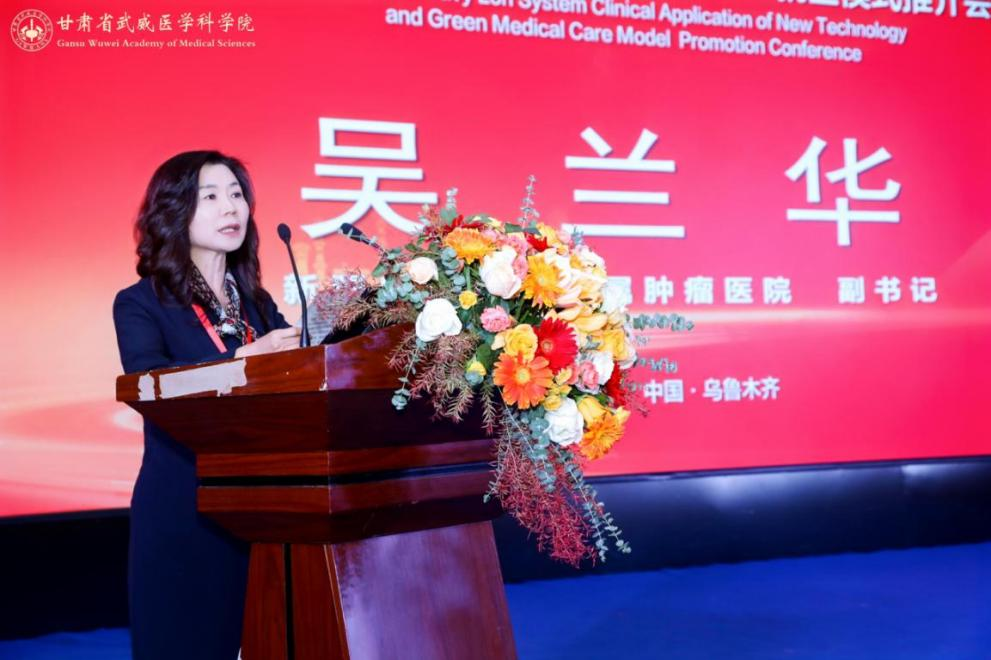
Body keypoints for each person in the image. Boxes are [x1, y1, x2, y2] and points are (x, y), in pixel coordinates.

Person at [113, 151, 301, 659]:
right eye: (211, 197)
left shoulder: (257, 303)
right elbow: (149, 385)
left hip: (264, 508)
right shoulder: (141, 302)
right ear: (175, 211)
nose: (230, 208)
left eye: (236, 195)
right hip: (184, 507)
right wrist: (242, 360)